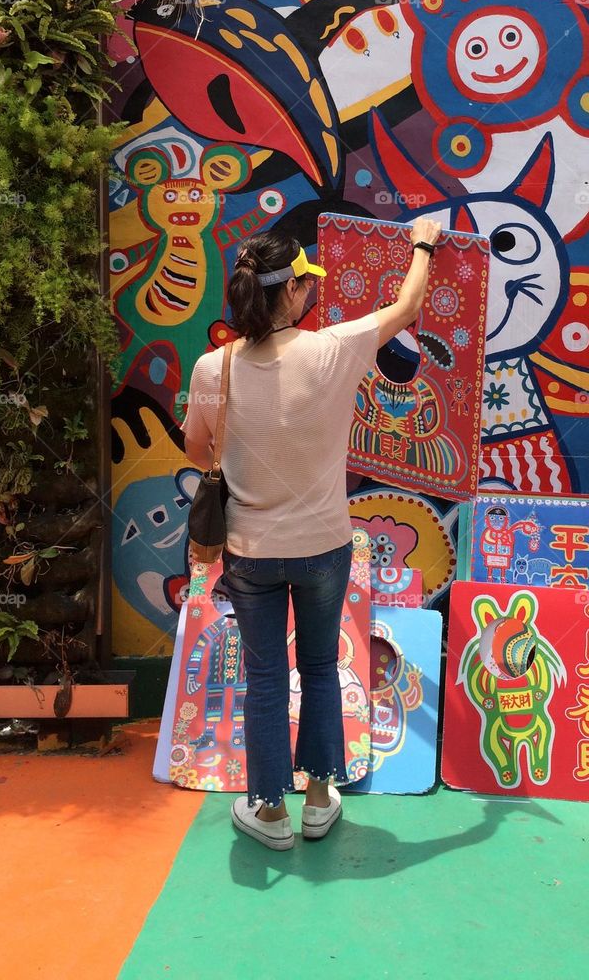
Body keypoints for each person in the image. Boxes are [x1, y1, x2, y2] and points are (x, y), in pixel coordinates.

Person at [181, 215, 442, 850]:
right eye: (307, 284)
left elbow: (196, 449)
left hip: (250, 554)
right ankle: (321, 800)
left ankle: (268, 813)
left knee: (267, 677)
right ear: (294, 292)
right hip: (325, 548)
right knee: (321, 668)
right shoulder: (336, 348)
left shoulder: (214, 370)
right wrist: (424, 242)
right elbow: (408, 304)